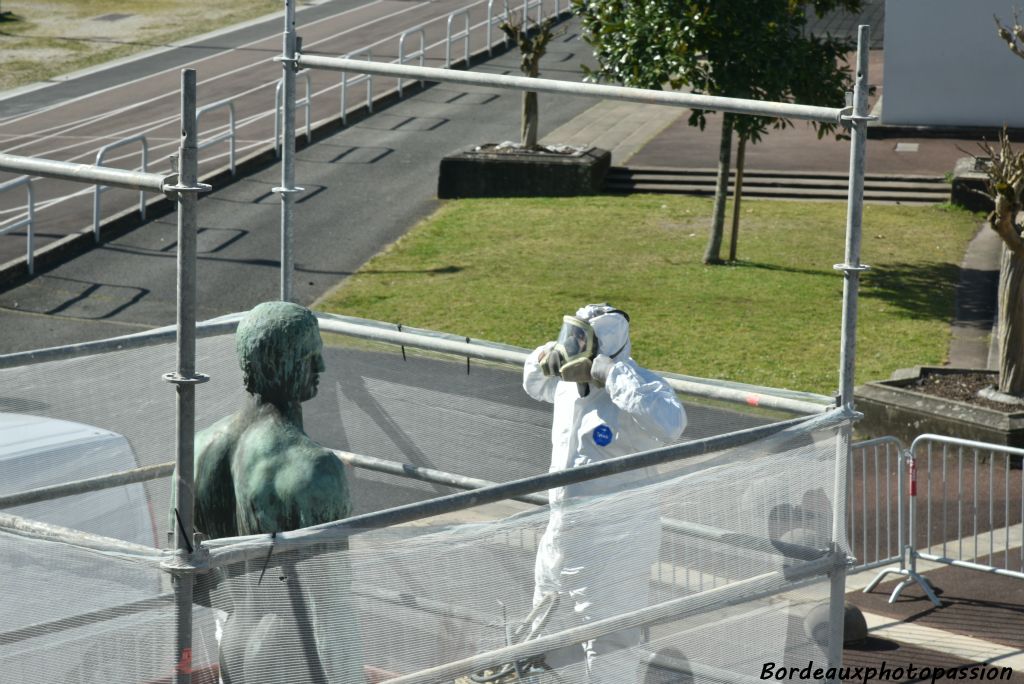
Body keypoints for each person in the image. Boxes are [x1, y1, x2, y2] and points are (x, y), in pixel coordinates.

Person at [186, 301, 361, 684]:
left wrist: (245, 606)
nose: (322, 368)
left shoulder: (198, 448)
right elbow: (333, 609)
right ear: (282, 361)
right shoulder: (314, 468)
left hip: (234, 638)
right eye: (311, 355)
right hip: (293, 650)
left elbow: (188, 576)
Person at [522, 303, 687, 683]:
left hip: (617, 547)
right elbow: (533, 383)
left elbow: (671, 423)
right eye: (570, 337)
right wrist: (546, 355)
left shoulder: (638, 389)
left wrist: (613, 375)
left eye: (579, 340)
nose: (571, 347)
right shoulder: (567, 391)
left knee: (612, 646)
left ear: (601, 347)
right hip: (561, 538)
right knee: (541, 633)